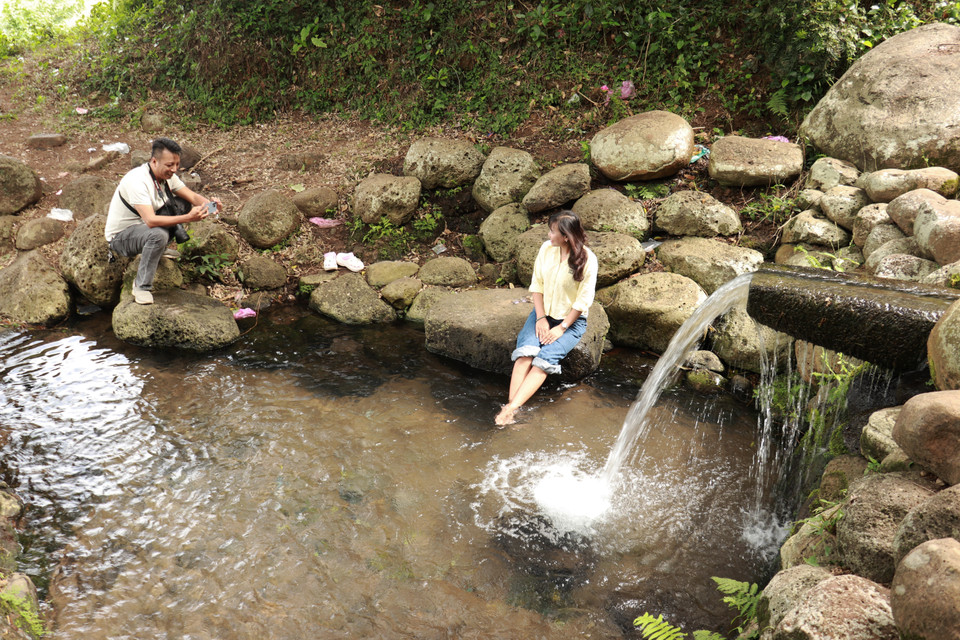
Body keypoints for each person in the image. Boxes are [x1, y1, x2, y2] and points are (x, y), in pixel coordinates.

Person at [495, 210, 598, 426]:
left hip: (571, 322)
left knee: (543, 361)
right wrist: (540, 318)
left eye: (552, 232)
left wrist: (562, 327)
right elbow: (537, 285)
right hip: (542, 314)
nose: (549, 236)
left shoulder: (588, 260)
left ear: (567, 236)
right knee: (525, 354)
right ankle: (511, 408)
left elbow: (583, 301)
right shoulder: (546, 249)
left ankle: (511, 409)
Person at [105, 138, 221, 305]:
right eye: (169, 165)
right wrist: (189, 218)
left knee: (182, 204)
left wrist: (213, 206)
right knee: (157, 234)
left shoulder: (167, 176)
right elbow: (151, 221)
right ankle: (141, 287)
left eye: (177, 164)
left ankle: (158, 250)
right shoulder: (137, 180)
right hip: (121, 238)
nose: (174, 169)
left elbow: (194, 197)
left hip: (144, 228)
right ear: (154, 161)